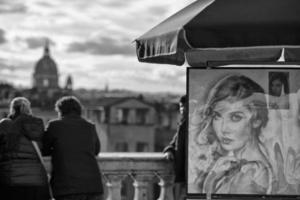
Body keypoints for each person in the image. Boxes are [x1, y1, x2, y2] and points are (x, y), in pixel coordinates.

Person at [192, 75, 274, 194]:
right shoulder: (237, 166)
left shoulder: (251, 173)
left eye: (235, 117)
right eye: (217, 116)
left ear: (257, 120)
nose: (223, 129)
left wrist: (210, 181)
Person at [42, 96, 103, 200]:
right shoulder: (90, 126)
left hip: (66, 188)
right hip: (93, 186)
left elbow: (44, 150)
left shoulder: (54, 126)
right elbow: (96, 151)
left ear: (61, 111)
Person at [0, 97, 49, 200]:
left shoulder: (5, 125)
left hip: (11, 179)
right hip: (37, 180)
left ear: (12, 109)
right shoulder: (38, 124)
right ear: (28, 109)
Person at [164, 95, 187, 200]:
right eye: (180, 106)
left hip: (191, 175)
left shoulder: (195, 125)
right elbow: (174, 143)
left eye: (184, 106)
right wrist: (169, 151)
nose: (182, 109)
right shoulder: (183, 125)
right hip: (183, 174)